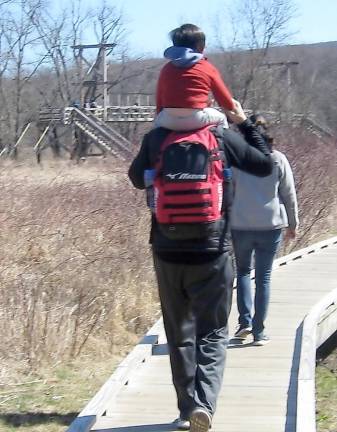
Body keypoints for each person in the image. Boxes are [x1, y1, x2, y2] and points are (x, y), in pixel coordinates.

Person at [128, 100, 273, 432]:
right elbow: (265, 163)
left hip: (167, 249)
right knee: (214, 331)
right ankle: (204, 405)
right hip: (212, 248)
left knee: (180, 332)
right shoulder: (219, 135)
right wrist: (245, 122)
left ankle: (185, 409)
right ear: (204, 101)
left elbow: (136, 179)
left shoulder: (157, 137)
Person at [231, 114, 299, 346]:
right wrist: (293, 223)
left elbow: (228, 191)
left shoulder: (237, 160)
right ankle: (259, 332)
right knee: (264, 278)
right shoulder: (278, 159)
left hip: (240, 224)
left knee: (242, 272)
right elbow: (289, 194)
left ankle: (244, 323)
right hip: (270, 225)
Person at [154, 23, 235, 131]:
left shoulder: (166, 69)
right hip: (197, 118)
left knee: (155, 131)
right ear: (200, 47)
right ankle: (221, 147)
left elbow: (159, 103)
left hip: (168, 119)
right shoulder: (207, 67)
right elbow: (227, 103)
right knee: (221, 119)